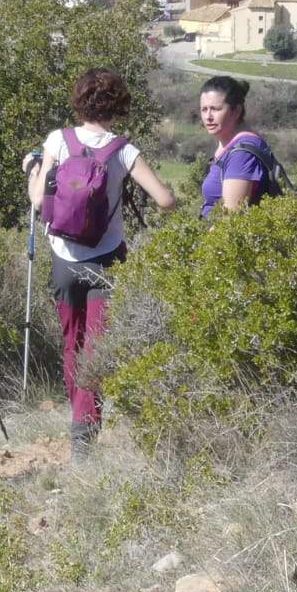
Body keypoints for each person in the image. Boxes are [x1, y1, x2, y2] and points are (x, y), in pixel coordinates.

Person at [26, 69, 176, 455]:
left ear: (79, 101)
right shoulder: (123, 150)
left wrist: (33, 171)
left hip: (64, 261)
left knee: (71, 343)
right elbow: (164, 200)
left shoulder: (58, 140)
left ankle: (78, 420)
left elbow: (38, 200)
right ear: (118, 104)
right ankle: (84, 437)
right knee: (97, 349)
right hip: (107, 261)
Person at [197, 74, 280, 217]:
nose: (208, 117)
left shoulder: (242, 154)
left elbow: (231, 218)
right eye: (204, 109)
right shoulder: (228, 145)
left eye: (216, 109)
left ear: (236, 111)